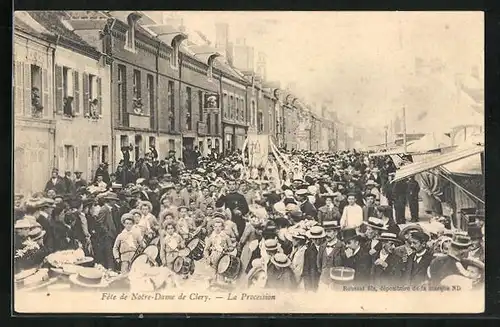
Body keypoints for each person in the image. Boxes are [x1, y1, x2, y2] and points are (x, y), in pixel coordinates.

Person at [303, 226, 325, 292]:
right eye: (314, 239)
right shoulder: (308, 251)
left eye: (319, 239)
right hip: (313, 281)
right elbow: (306, 270)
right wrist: (307, 288)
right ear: (311, 238)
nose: (317, 241)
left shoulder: (326, 248)